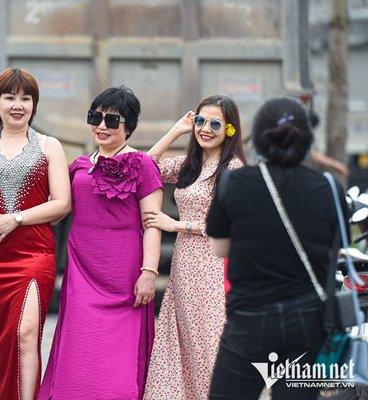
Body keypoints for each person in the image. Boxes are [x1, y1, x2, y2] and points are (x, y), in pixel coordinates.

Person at [206, 97, 347, 400]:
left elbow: (219, 248)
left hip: (249, 318)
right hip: (308, 322)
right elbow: (337, 247)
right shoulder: (329, 188)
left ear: (257, 136)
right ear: (306, 138)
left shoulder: (233, 183)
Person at [39, 86, 163, 400]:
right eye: (96, 117)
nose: (102, 126)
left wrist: (149, 272)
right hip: (82, 271)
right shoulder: (79, 165)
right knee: (79, 346)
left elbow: (152, 223)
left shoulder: (143, 166)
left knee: (119, 363)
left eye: (112, 120)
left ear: (130, 126)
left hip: (125, 275)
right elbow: (52, 208)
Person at [0, 67, 71, 400]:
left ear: (34, 105)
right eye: (10, 97)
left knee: (27, 332)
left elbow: (62, 203)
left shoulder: (50, 146)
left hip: (35, 254)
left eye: (25, 98)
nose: (17, 105)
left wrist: (16, 219)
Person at [143, 95, 246, 399]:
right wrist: (176, 131)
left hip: (213, 267)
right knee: (183, 343)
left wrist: (177, 226)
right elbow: (147, 167)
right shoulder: (191, 164)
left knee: (210, 343)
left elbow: (235, 226)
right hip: (184, 265)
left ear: (229, 130)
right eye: (200, 121)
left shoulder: (233, 169)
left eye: (216, 123)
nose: (205, 129)